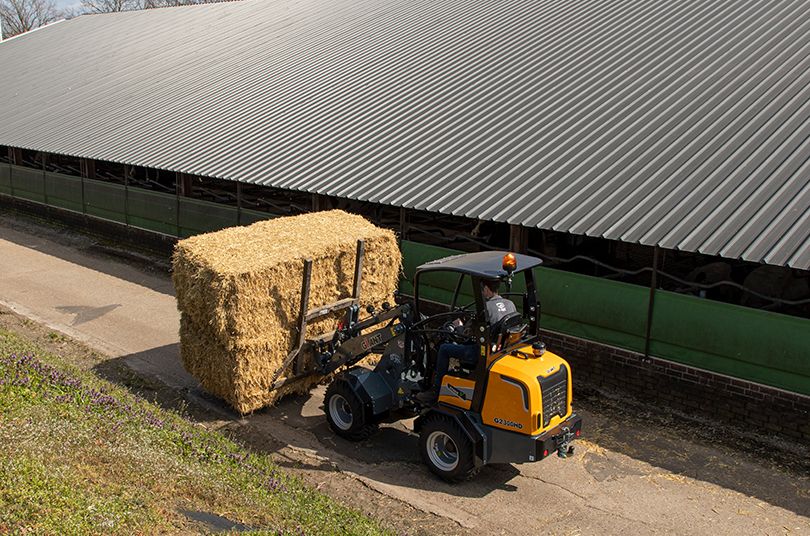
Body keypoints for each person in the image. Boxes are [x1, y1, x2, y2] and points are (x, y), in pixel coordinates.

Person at [416, 279, 517, 402]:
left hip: (480, 353)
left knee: (444, 349)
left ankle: (436, 392)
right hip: (499, 350)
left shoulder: (485, 309)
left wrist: (458, 326)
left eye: (482, 290)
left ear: (486, 289)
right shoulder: (510, 304)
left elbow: (467, 334)